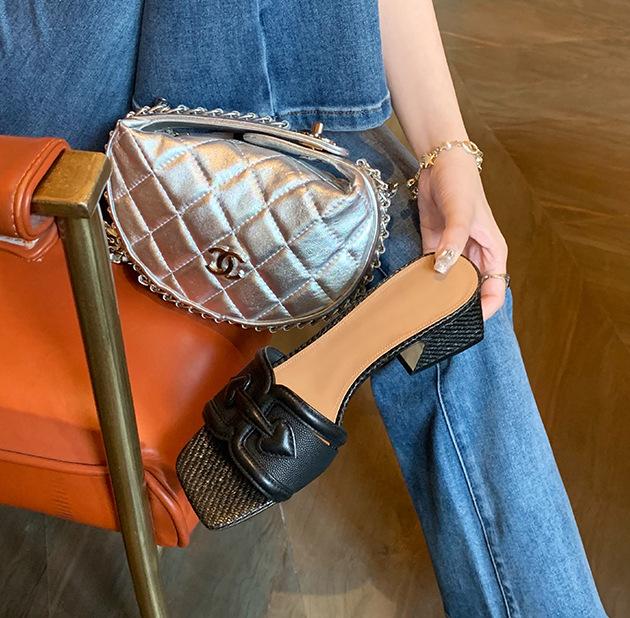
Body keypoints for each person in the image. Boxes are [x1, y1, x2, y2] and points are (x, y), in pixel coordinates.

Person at [0, 1, 606, 615]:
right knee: (429, 270)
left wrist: (449, 157)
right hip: (58, 83)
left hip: (211, 50)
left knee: (443, 268)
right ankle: (291, 147)